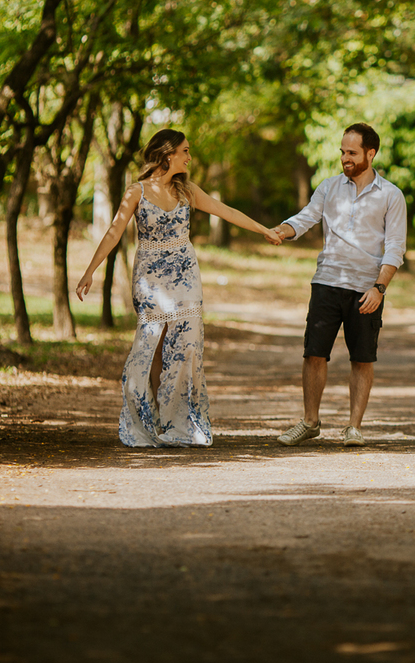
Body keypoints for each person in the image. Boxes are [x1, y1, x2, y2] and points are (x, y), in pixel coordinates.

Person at [75, 129, 282, 447]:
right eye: (185, 151)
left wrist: (263, 230)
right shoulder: (137, 192)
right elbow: (114, 232)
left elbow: (226, 212)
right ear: (167, 154)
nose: (189, 156)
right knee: (153, 345)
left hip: (186, 275)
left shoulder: (188, 191)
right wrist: (90, 271)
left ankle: (180, 422)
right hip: (150, 277)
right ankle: (153, 418)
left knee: (187, 345)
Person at [273, 123, 407, 448]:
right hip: (327, 281)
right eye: (342, 152)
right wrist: (281, 231)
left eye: (352, 153)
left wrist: (379, 288)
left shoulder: (391, 195)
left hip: (366, 289)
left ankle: (354, 427)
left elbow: (395, 248)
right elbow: (305, 218)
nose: (345, 158)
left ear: (370, 154)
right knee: (313, 353)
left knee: (362, 358)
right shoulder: (329, 187)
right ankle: (309, 422)